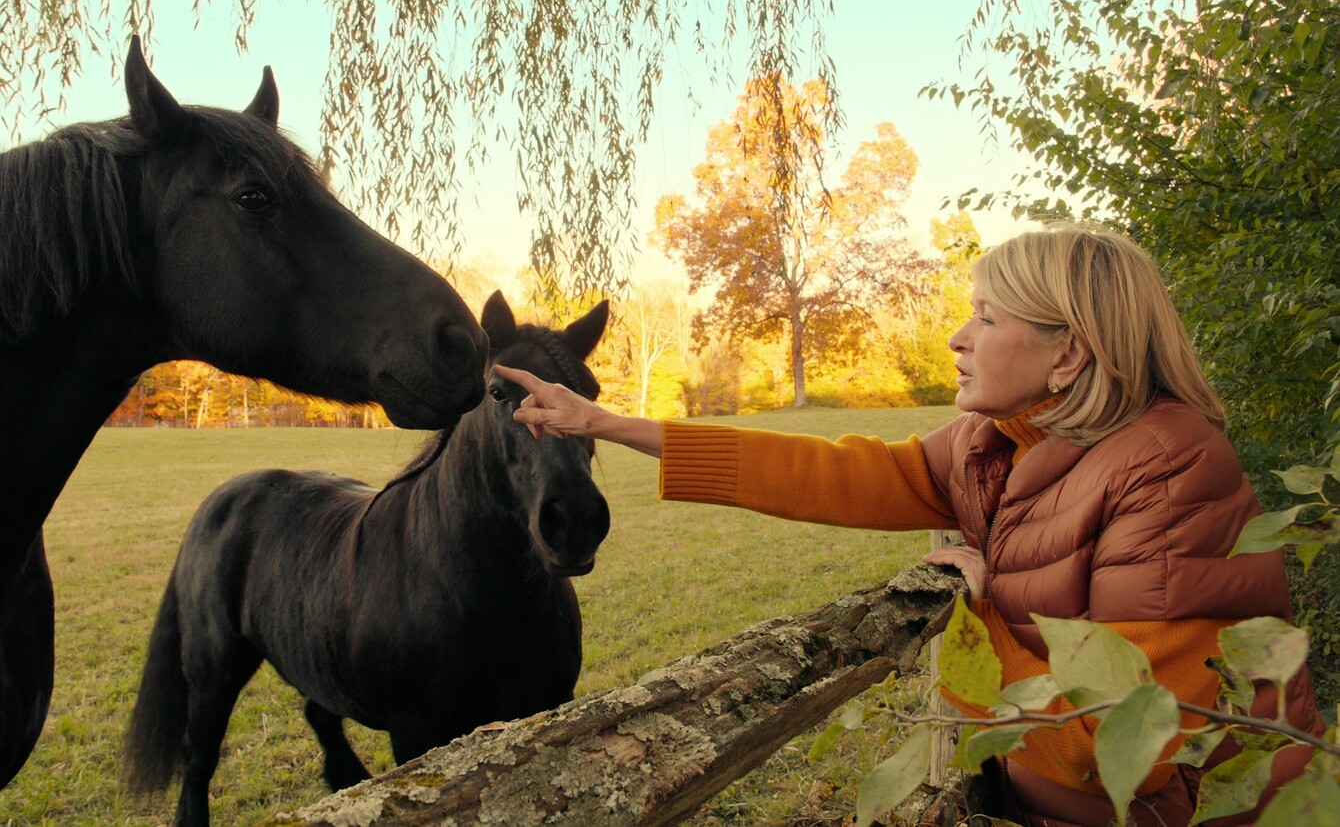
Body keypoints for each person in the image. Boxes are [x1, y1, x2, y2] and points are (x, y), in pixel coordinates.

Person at [494, 225, 1326, 827]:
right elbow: (835, 472)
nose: (958, 339)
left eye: (988, 318)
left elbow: (1122, 751)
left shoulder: (1171, 473)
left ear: (1069, 354)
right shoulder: (994, 444)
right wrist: (603, 424)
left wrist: (981, 619)